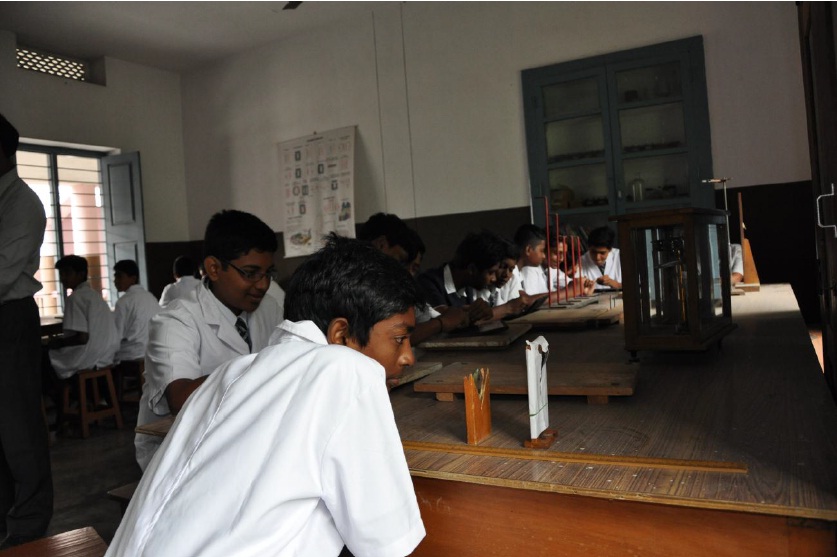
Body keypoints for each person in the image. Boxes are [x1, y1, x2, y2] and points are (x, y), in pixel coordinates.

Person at [107, 235, 426, 557]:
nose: (408, 357)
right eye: (400, 338)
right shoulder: (347, 368)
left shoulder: (229, 372)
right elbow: (387, 542)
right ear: (341, 335)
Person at [135, 210, 284, 471]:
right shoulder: (175, 320)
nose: (262, 285)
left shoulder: (268, 307)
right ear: (214, 268)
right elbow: (180, 399)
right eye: (251, 273)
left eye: (268, 273)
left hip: (243, 433)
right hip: (182, 452)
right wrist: (259, 368)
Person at [0, 112, 53, 549]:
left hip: (10, 317)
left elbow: (1, 274)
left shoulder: (22, 204)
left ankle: (29, 524)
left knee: (17, 426)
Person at [47, 255, 120, 380]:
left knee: (46, 356)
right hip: (108, 353)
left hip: (90, 356)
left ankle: (65, 391)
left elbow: (82, 338)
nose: (63, 278)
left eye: (67, 273)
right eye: (61, 274)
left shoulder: (75, 298)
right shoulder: (95, 295)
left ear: (80, 274)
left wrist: (58, 342)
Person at [416, 230, 502, 325]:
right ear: (472, 269)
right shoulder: (428, 282)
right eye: (491, 272)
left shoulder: (468, 286)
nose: (494, 279)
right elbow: (447, 319)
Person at [112, 259, 160, 363]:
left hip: (131, 356)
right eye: (115, 276)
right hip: (154, 353)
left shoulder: (123, 302)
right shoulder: (151, 297)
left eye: (119, 276)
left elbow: (115, 337)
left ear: (133, 279)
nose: (115, 280)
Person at [580, 226, 622, 290]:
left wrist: (615, 284)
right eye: (593, 252)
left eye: (602, 253)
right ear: (589, 248)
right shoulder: (580, 261)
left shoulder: (621, 257)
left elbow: (635, 286)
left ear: (610, 249)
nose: (597, 258)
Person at [514, 224, 549, 295]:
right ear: (528, 250)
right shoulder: (511, 274)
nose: (544, 256)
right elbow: (526, 300)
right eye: (541, 251)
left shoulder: (519, 273)